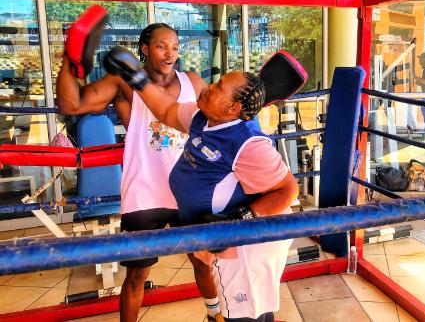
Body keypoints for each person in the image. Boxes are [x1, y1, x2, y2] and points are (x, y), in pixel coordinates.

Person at [102, 46, 298, 322]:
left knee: (240, 314)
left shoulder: (249, 144)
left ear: (232, 108)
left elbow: (288, 190)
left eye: (218, 87)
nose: (208, 88)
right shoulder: (203, 116)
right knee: (252, 311)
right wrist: (138, 80)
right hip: (224, 237)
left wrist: (235, 222)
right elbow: (168, 110)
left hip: (245, 245)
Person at [57, 23, 224, 322]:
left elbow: (222, 119)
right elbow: (71, 103)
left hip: (189, 193)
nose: (170, 53)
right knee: (136, 276)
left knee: (203, 262)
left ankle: (215, 316)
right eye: (162, 46)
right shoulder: (124, 83)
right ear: (145, 49)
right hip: (144, 194)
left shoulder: (193, 82)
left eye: (174, 47)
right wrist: (70, 64)